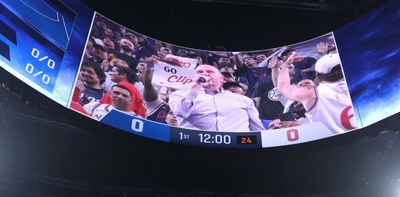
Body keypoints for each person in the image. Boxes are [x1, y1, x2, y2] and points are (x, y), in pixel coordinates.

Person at [169, 64, 264, 132]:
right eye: (200, 72)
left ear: (221, 78)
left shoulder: (244, 100)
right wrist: (195, 87)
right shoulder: (178, 95)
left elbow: (257, 130)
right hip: (195, 147)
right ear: (194, 77)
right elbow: (181, 112)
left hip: (237, 149)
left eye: (210, 72)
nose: (204, 74)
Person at [277, 53, 357, 133]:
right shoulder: (363, 81)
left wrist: (286, 65)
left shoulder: (310, 94)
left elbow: (282, 86)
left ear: (318, 77)